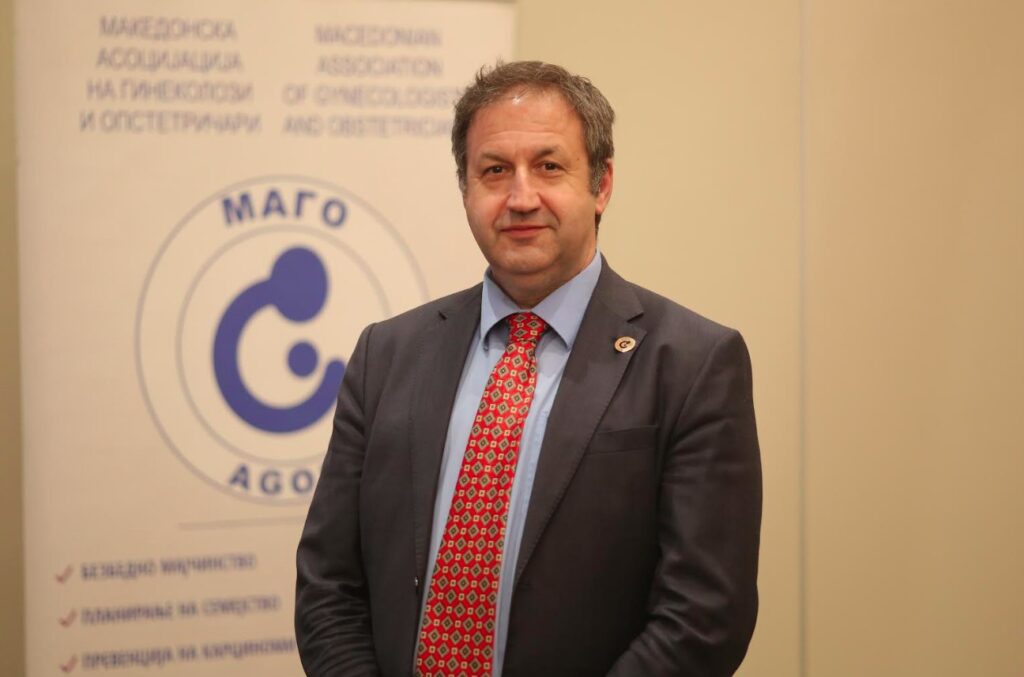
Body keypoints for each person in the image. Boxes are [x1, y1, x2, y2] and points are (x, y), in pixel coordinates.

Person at [296, 61, 762, 677]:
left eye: (548, 166)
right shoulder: (386, 354)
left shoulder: (692, 364)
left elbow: (704, 616)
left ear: (601, 185)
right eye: (494, 171)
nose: (520, 199)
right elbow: (328, 586)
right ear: (465, 189)